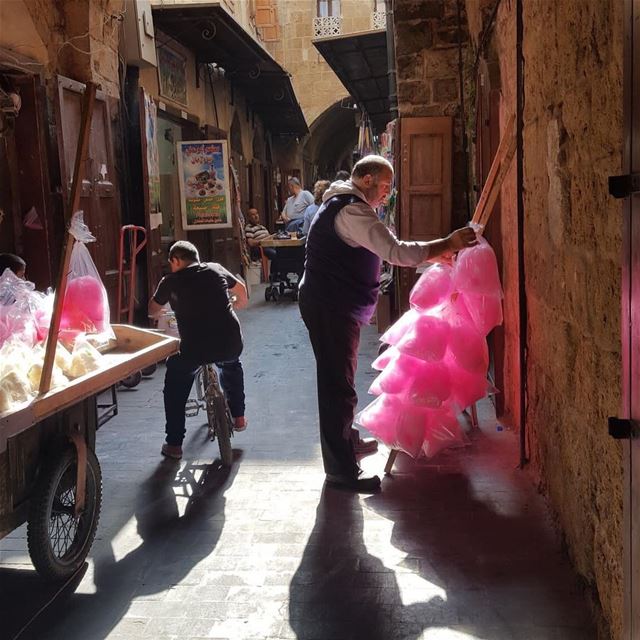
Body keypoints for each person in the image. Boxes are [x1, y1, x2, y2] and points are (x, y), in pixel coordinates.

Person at [299, 155, 478, 492]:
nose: (386, 195)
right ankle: (340, 470)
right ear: (365, 179)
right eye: (383, 187)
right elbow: (395, 252)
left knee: (341, 378)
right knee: (337, 385)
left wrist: (433, 253)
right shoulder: (351, 210)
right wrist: (448, 243)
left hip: (333, 303)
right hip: (330, 305)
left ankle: (346, 440)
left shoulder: (345, 205)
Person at [148, 241, 249, 460]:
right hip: (230, 342)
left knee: (175, 383)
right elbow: (241, 290)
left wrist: (159, 314)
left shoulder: (170, 281)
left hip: (194, 349)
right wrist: (239, 302)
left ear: (175, 261)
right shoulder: (215, 269)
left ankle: (174, 443)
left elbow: (153, 309)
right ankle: (239, 416)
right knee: (231, 365)